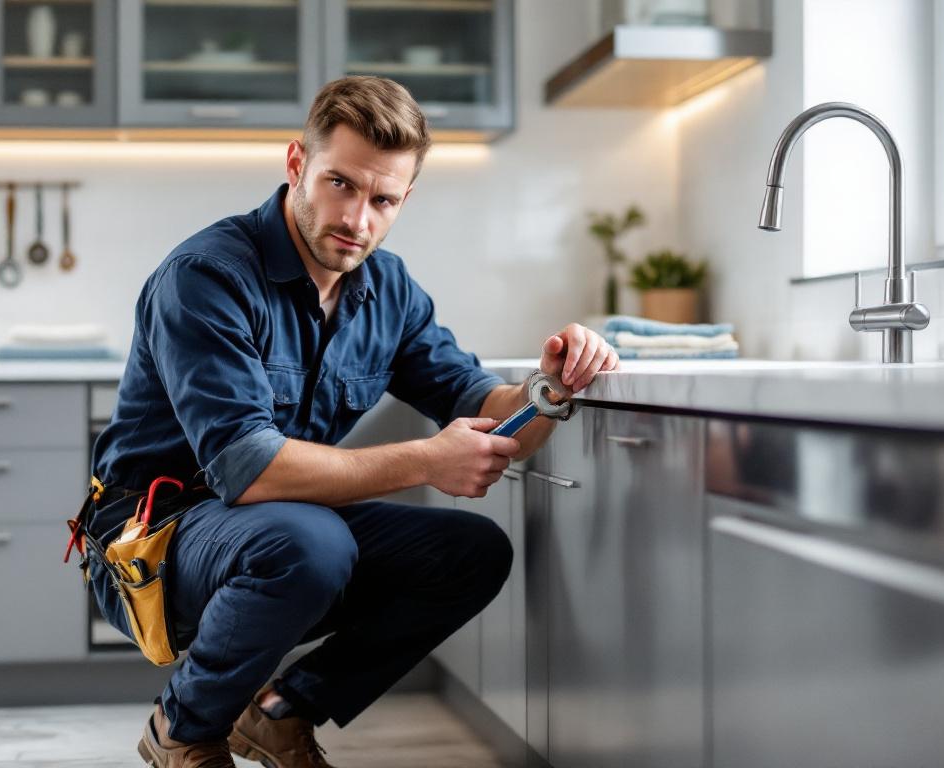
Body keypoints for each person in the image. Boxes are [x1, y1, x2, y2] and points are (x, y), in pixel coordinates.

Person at [86, 76, 618, 768]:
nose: (358, 219)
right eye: (340, 184)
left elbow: (486, 409)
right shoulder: (207, 276)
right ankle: (184, 727)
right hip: (152, 545)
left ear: (405, 200)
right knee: (309, 543)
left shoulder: (387, 290)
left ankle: (280, 711)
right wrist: (428, 460)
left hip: (278, 529)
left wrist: (551, 384)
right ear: (296, 164)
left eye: (383, 199)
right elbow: (248, 471)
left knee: (472, 553)